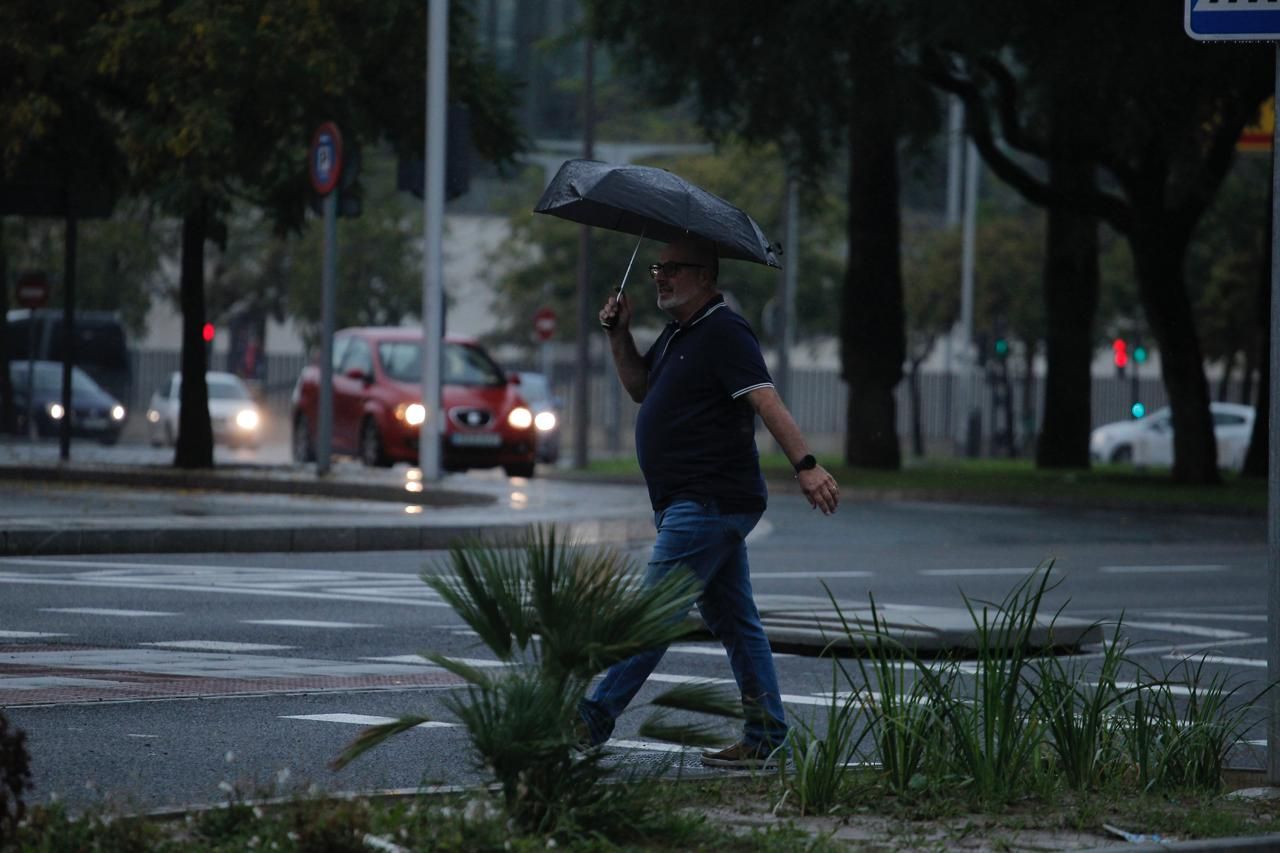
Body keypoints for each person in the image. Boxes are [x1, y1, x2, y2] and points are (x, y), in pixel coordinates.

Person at [578, 236, 840, 769]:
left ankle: (589, 721)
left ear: (706, 276)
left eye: (673, 268)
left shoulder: (724, 330)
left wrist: (806, 466)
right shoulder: (680, 333)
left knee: (651, 616)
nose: (660, 277)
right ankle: (766, 738)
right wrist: (618, 334)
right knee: (738, 624)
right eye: (657, 267)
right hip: (690, 501)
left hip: (709, 499)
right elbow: (639, 389)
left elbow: (765, 399)